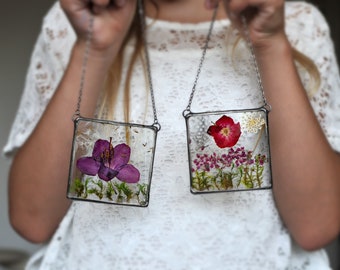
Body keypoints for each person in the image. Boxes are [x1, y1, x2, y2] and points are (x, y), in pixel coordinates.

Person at [3, 0, 340, 269]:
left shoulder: (295, 23)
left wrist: (270, 44)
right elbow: (33, 221)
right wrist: (95, 49)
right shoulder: (77, 22)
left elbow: (316, 226)